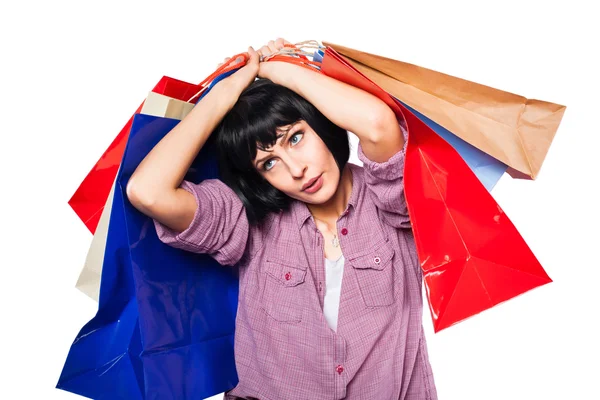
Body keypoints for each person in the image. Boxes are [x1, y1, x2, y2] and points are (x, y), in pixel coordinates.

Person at [127, 38, 437, 400]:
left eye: (295, 138)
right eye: (268, 163)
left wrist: (278, 70)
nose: (296, 169)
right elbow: (147, 192)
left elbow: (379, 124)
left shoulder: (393, 199)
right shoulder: (246, 218)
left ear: (322, 123)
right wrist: (228, 91)